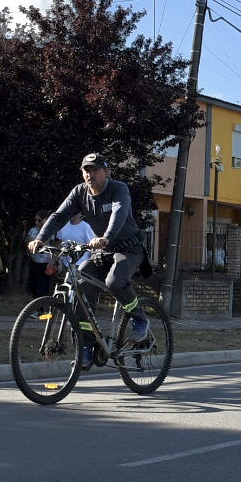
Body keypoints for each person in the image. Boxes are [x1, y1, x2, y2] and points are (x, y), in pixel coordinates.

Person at [29, 153, 148, 365]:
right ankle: (86, 346)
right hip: (103, 250)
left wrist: (106, 238)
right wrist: (41, 238)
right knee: (80, 285)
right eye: (86, 170)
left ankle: (140, 319)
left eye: (94, 169)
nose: (89, 174)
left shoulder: (118, 188)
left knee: (114, 282)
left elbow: (118, 214)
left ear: (106, 171)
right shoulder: (79, 192)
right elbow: (58, 216)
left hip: (129, 248)